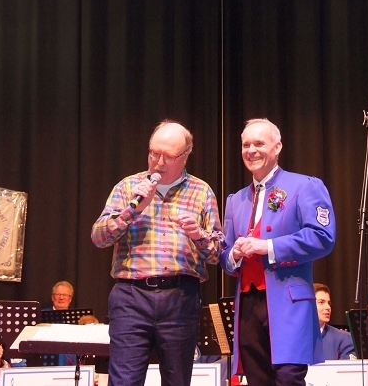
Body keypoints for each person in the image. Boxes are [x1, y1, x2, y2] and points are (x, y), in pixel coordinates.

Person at [91, 120, 224, 386]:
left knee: (177, 380)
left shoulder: (201, 191)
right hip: (131, 296)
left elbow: (218, 254)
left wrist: (198, 235)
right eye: (154, 153)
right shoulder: (127, 187)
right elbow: (99, 237)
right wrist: (133, 211)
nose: (159, 162)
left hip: (181, 297)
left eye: (168, 156)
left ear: (185, 156)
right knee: (124, 381)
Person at [220, 118, 336, 386]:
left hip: (289, 303)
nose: (251, 150)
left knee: (288, 379)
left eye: (259, 143)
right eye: (246, 145)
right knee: (257, 380)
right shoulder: (235, 200)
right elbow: (225, 257)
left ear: (277, 147)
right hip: (248, 305)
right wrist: (234, 254)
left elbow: (323, 237)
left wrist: (268, 246)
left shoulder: (305, 186)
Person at [314, 283, 355, 360]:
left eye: (329, 303)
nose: (328, 307)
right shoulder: (293, 337)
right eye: (321, 302)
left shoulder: (344, 338)